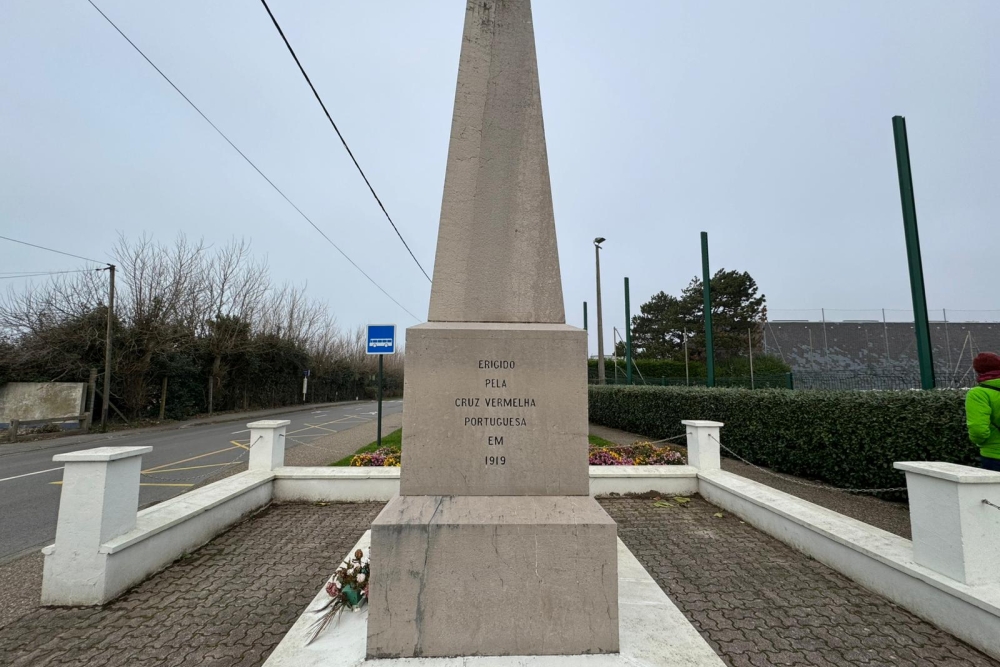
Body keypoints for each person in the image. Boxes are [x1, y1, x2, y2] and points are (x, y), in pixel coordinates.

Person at [967, 352, 1000, 472]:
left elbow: (978, 429)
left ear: (978, 371)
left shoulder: (979, 394)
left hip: (995, 455)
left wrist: (981, 442)